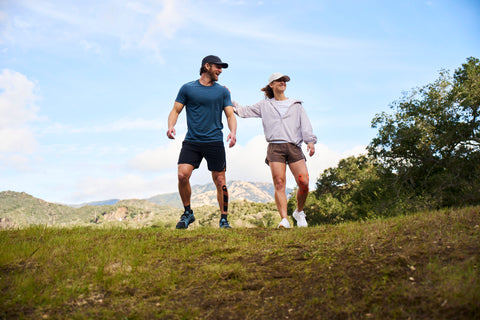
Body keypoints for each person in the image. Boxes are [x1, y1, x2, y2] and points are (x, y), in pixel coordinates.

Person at [233, 72, 317, 228]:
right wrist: (227, 98)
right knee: (279, 183)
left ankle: (299, 212)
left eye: (284, 81)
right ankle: (284, 219)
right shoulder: (264, 105)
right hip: (275, 147)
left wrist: (310, 141)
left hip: (294, 146)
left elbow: (305, 124)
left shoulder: (296, 105)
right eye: (279, 80)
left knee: (304, 182)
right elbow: (243, 111)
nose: (282, 82)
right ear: (271, 85)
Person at [167, 55, 237, 229]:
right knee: (182, 175)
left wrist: (233, 132)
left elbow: (230, 114)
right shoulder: (187, 88)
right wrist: (170, 126)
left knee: (220, 180)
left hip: (214, 141)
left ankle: (224, 219)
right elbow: (175, 110)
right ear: (207, 66)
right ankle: (188, 212)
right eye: (217, 67)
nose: (220, 70)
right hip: (192, 141)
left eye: (221, 68)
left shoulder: (222, 91)